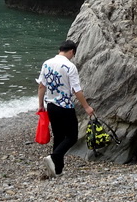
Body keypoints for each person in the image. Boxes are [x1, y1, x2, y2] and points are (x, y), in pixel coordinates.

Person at [36, 39, 95, 178]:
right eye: (73, 54)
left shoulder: (47, 63)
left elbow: (41, 86)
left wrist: (40, 105)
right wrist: (86, 107)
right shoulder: (70, 66)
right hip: (65, 106)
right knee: (72, 136)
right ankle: (54, 157)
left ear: (60, 50)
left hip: (51, 106)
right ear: (71, 51)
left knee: (59, 136)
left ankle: (57, 170)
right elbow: (77, 90)